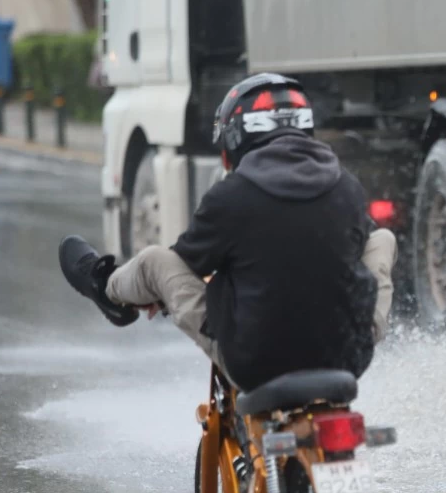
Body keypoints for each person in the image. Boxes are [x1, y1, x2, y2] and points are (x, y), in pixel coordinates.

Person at [58, 73, 396, 391]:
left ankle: (107, 290)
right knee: (382, 238)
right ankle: (361, 331)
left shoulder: (231, 196)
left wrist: (151, 293)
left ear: (236, 141)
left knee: (156, 262)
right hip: (349, 357)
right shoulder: (346, 188)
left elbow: (186, 265)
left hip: (255, 363)